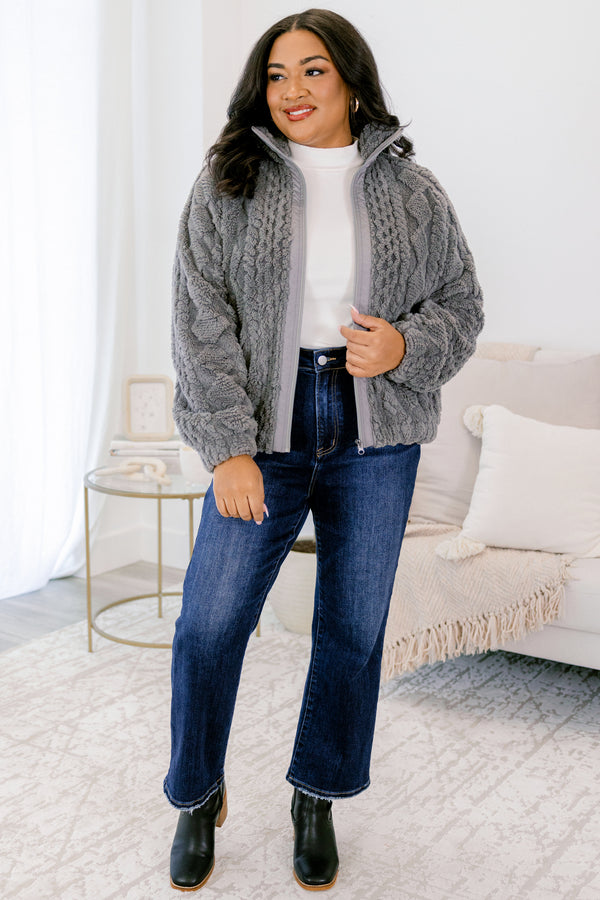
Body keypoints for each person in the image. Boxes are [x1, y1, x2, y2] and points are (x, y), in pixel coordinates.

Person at [164, 7, 484, 892]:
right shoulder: (227, 180)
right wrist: (226, 445)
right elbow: (201, 322)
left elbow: (462, 302)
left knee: (351, 630)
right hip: (261, 436)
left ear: (349, 77)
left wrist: (405, 348)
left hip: (376, 436)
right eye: (275, 74)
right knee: (208, 623)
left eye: (311, 70)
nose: (292, 89)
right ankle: (197, 792)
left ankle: (318, 795)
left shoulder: (413, 191)